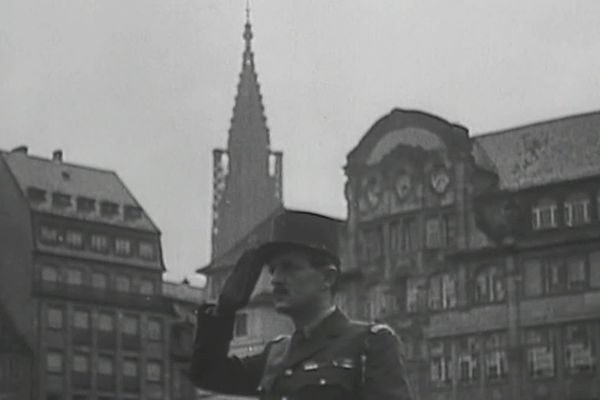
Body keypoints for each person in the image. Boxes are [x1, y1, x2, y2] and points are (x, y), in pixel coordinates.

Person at [189, 210, 412, 400]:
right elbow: (207, 374)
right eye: (273, 269)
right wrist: (224, 311)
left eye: (289, 267)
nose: (276, 279)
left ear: (328, 278)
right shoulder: (277, 353)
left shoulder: (369, 343)